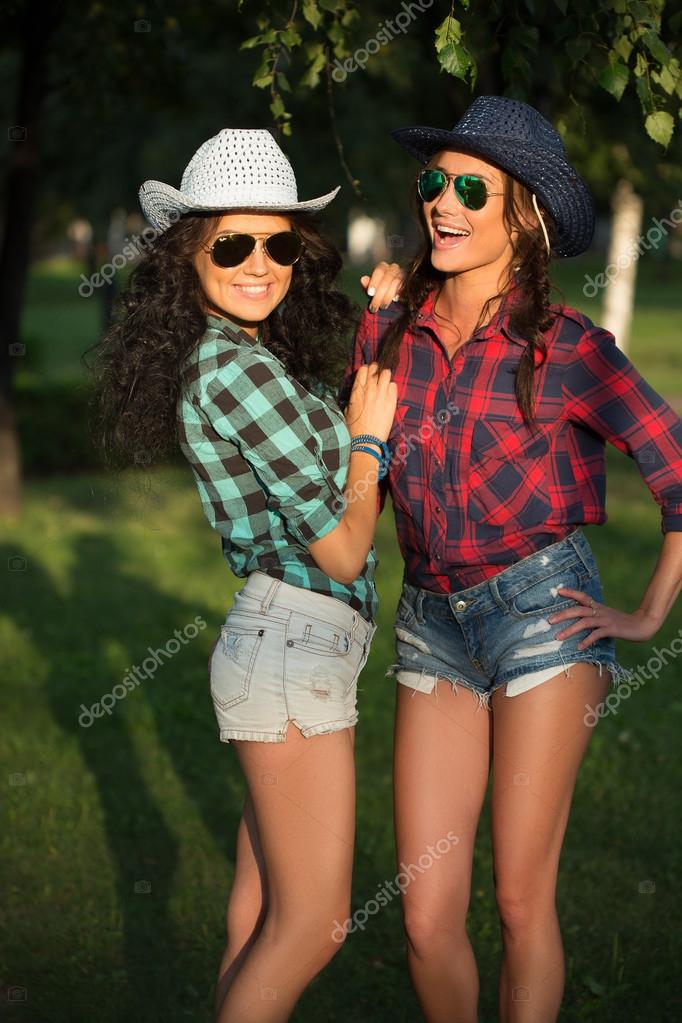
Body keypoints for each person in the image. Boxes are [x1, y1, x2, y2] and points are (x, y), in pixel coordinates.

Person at [343, 96, 682, 1022]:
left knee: (522, 898)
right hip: (430, 623)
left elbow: (676, 462)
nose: (441, 204)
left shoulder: (569, 351)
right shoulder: (388, 333)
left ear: (523, 213)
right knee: (424, 916)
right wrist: (371, 309)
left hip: (544, 612)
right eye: (432, 183)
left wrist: (650, 610)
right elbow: (346, 465)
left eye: (469, 189)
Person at [91, 127, 399, 1023]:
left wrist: (378, 320)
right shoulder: (233, 370)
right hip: (293, 643)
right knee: (315, 924)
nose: (260, 263)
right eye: (233, 244)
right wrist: (370, 444)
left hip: (289, 647)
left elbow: (323, 456)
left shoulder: (247, 358)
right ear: (190, 253)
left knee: (264, 907)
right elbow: (342, 547)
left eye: (279, 243)